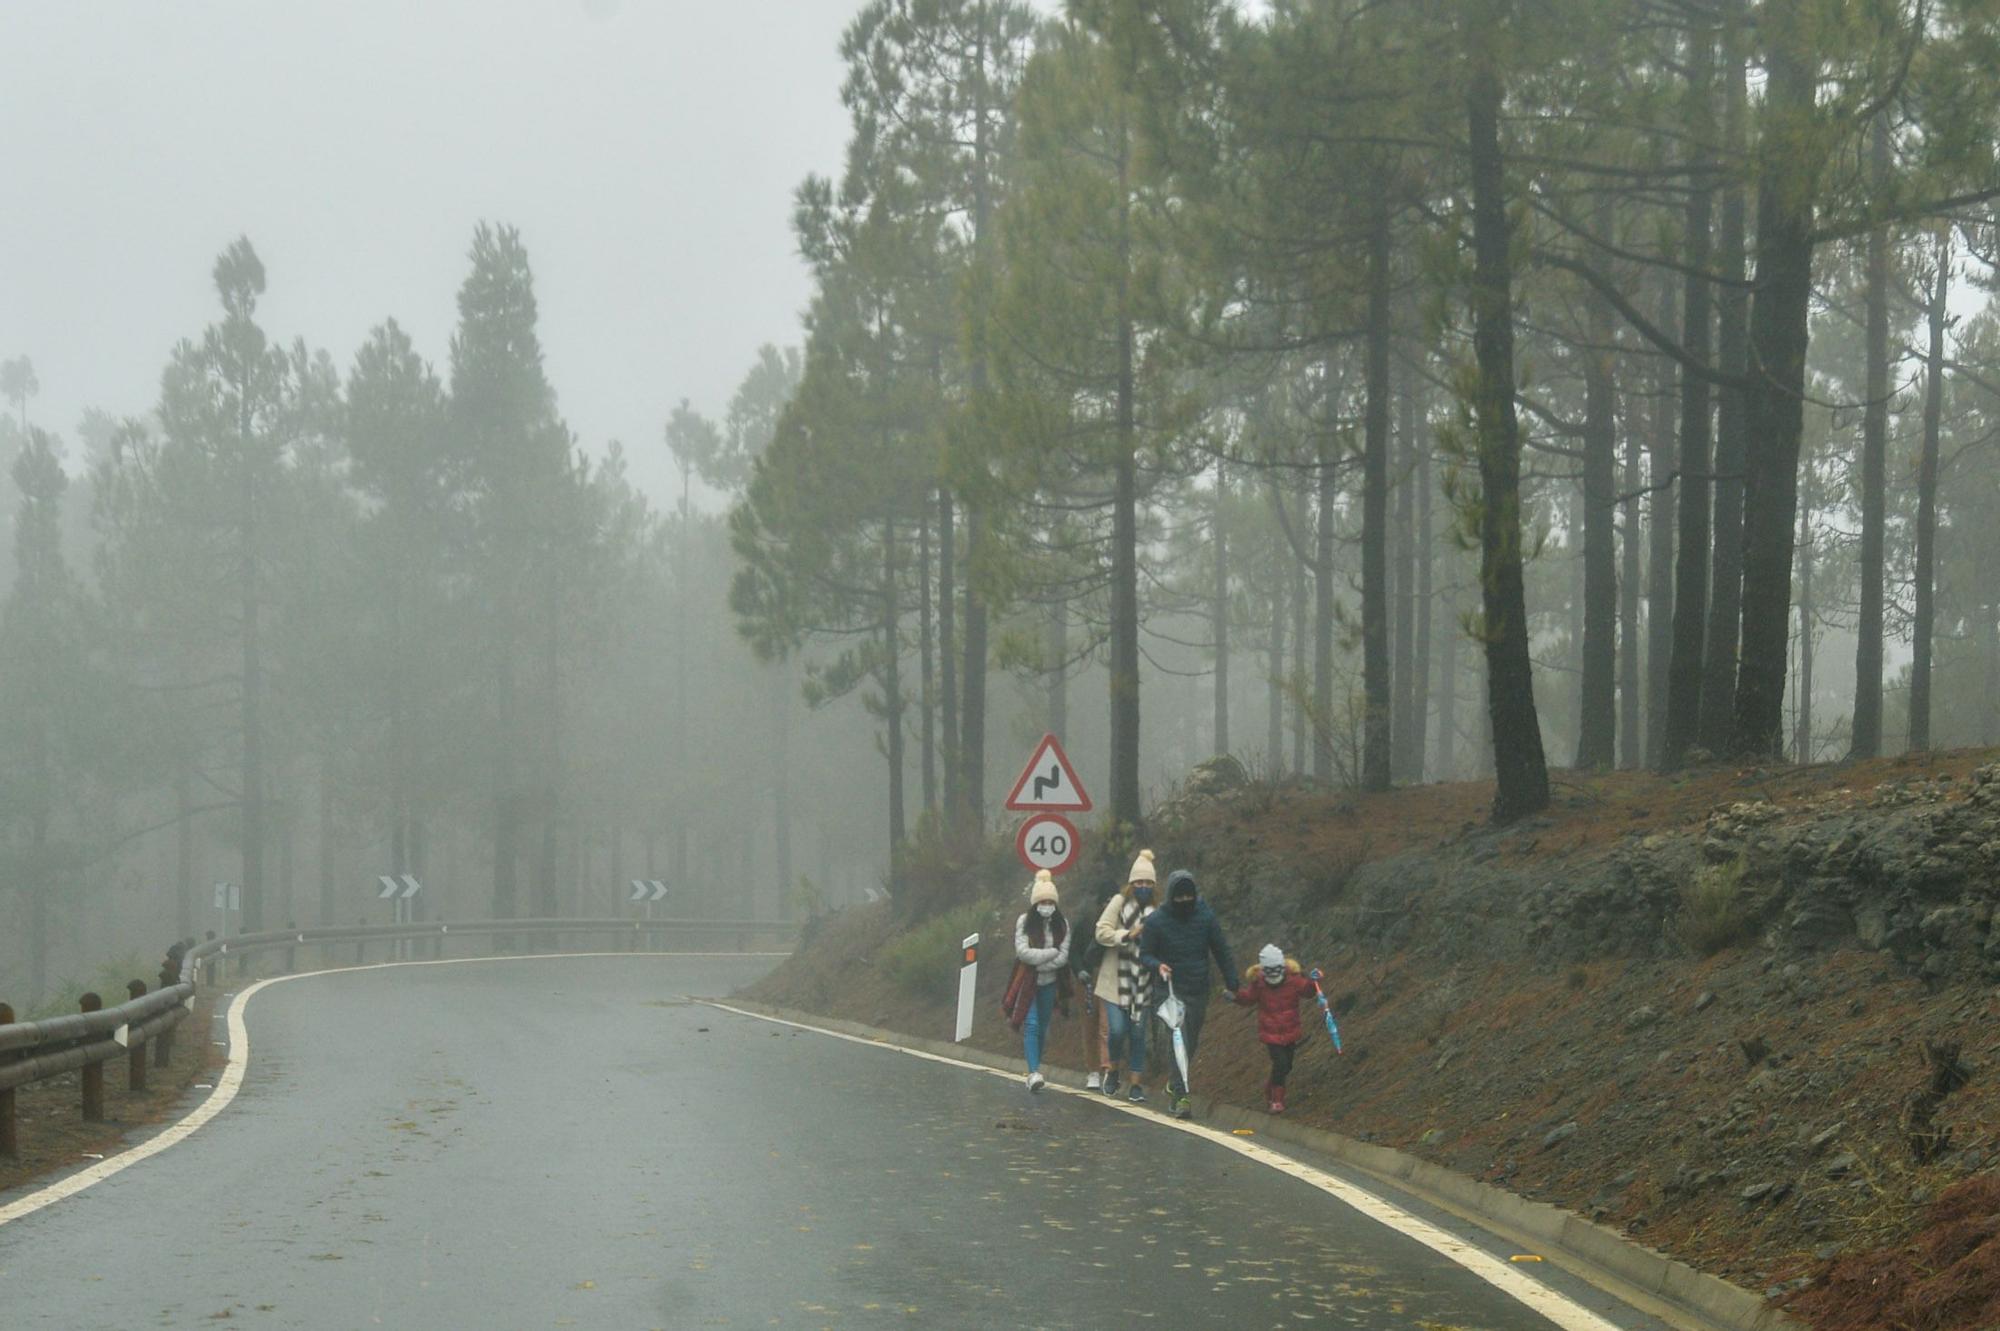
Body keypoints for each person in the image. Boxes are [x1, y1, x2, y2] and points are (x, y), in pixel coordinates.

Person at [1139, 869, 1238, 1119]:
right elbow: (1145, 954)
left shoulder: (1205, 917)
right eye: (1179, 897)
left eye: (1188, 897)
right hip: (1169, 990)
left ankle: (1174, 1084)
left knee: (1190, 1041)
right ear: (1171, 897)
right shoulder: (1156, 922)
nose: (1184, 902)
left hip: (1197, 988)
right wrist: (1157, 965)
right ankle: (1182, 1096)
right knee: (1178, 1037)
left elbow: (1221, 950)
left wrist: (1233, 982)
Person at [1091, 849, 1158, 1102]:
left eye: (1148, 883)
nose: (1143, 887)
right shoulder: (1118, 903)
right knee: (1117, 1031)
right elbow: (1101, 931)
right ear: (1131, 884)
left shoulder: (1156, 910)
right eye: (1139, 882)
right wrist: (1127, 935)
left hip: (1142, 980)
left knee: (1139, 1033)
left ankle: (1136, 1083)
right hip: (1114, 981)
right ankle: (1114, 1070)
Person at [1007, 869, 1072, 1093]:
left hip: (1050, 983)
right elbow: (1023, 953)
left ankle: (1037, 1064)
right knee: (1032, 1024)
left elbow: (1063, 957)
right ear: (1035, 903)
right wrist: (1050, 953)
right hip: (1028, 982)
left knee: (1043, 1027)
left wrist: (1042, 960)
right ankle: (1033, 1071)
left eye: (1049, 901)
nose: (1046, 905)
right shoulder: (1024, 922)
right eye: (1042, 901)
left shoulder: (1062, 924)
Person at [1233, 943, 1318, 1114]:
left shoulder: (1294, 980)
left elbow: (1308, 992)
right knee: (1280, 1063)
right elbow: (1249, 998)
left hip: (1290, 1030)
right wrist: (1234, 996)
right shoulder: (1259, 984)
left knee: (1287, 1066)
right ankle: (1277, 1100)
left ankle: (1270, 1089)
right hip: (1270, 1033)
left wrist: (1313, 981)